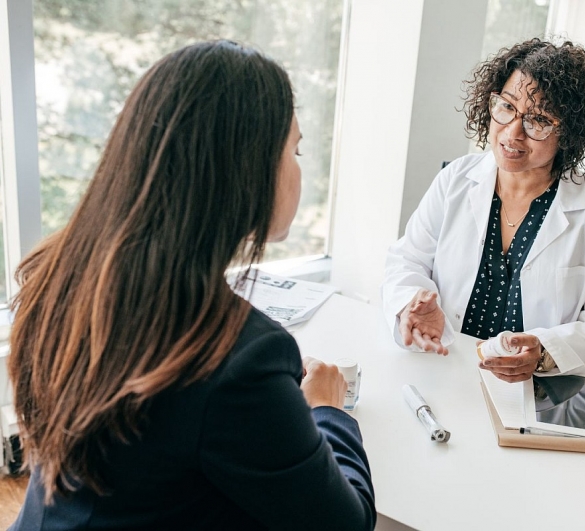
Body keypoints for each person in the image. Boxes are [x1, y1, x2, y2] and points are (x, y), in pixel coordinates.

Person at [8, 40, 375, 530]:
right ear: (246, 168)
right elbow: (344, 524)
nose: (298, 167)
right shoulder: (241, 359)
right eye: (295, 149)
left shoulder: (59, 273)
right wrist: (329, 411)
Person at [382, 38, 585, 384]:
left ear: (568, 132)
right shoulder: (455, 181)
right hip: (451, 366)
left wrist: (546, 351)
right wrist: (412, 305)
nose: (512, 133)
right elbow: (407, 260)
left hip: (548, 388)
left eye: (538, 120)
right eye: (507, 107)